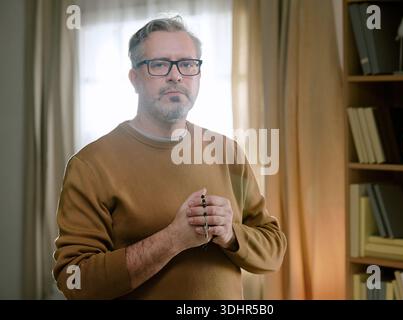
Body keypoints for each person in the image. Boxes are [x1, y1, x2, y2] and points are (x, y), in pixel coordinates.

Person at [53, 16, 287, 300]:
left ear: (198, 75)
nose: (176, 75)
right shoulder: (90, 165)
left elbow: (273, 249)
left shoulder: (228, 152)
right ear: (135, 79)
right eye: (160, 64)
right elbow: (75, 280)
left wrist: (230, 234)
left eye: (187, 64)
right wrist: (173, 239)